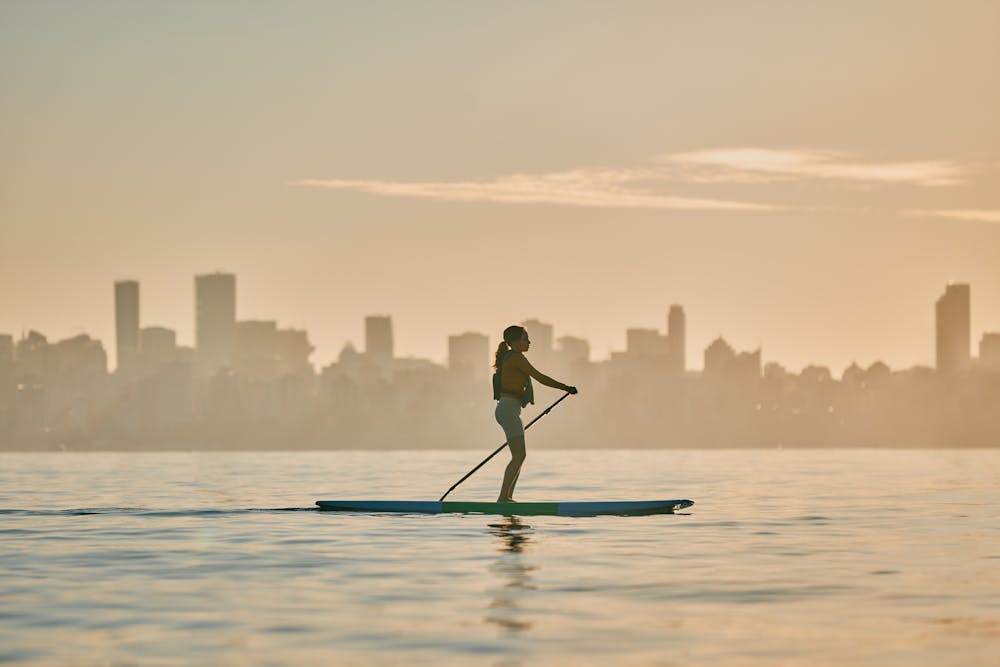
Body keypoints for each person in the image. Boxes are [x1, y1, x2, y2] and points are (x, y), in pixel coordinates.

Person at [493, 325, 577, 502]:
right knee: (519, 456)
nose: (529, 342)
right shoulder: (516, 358)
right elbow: (540, 377)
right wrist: (566, 388)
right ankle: (503, 499)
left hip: (509, 410)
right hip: (508, 410)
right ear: (515, 342)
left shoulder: (511, 357)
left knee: (519, 456)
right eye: (525, 339)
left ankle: (507, 498)